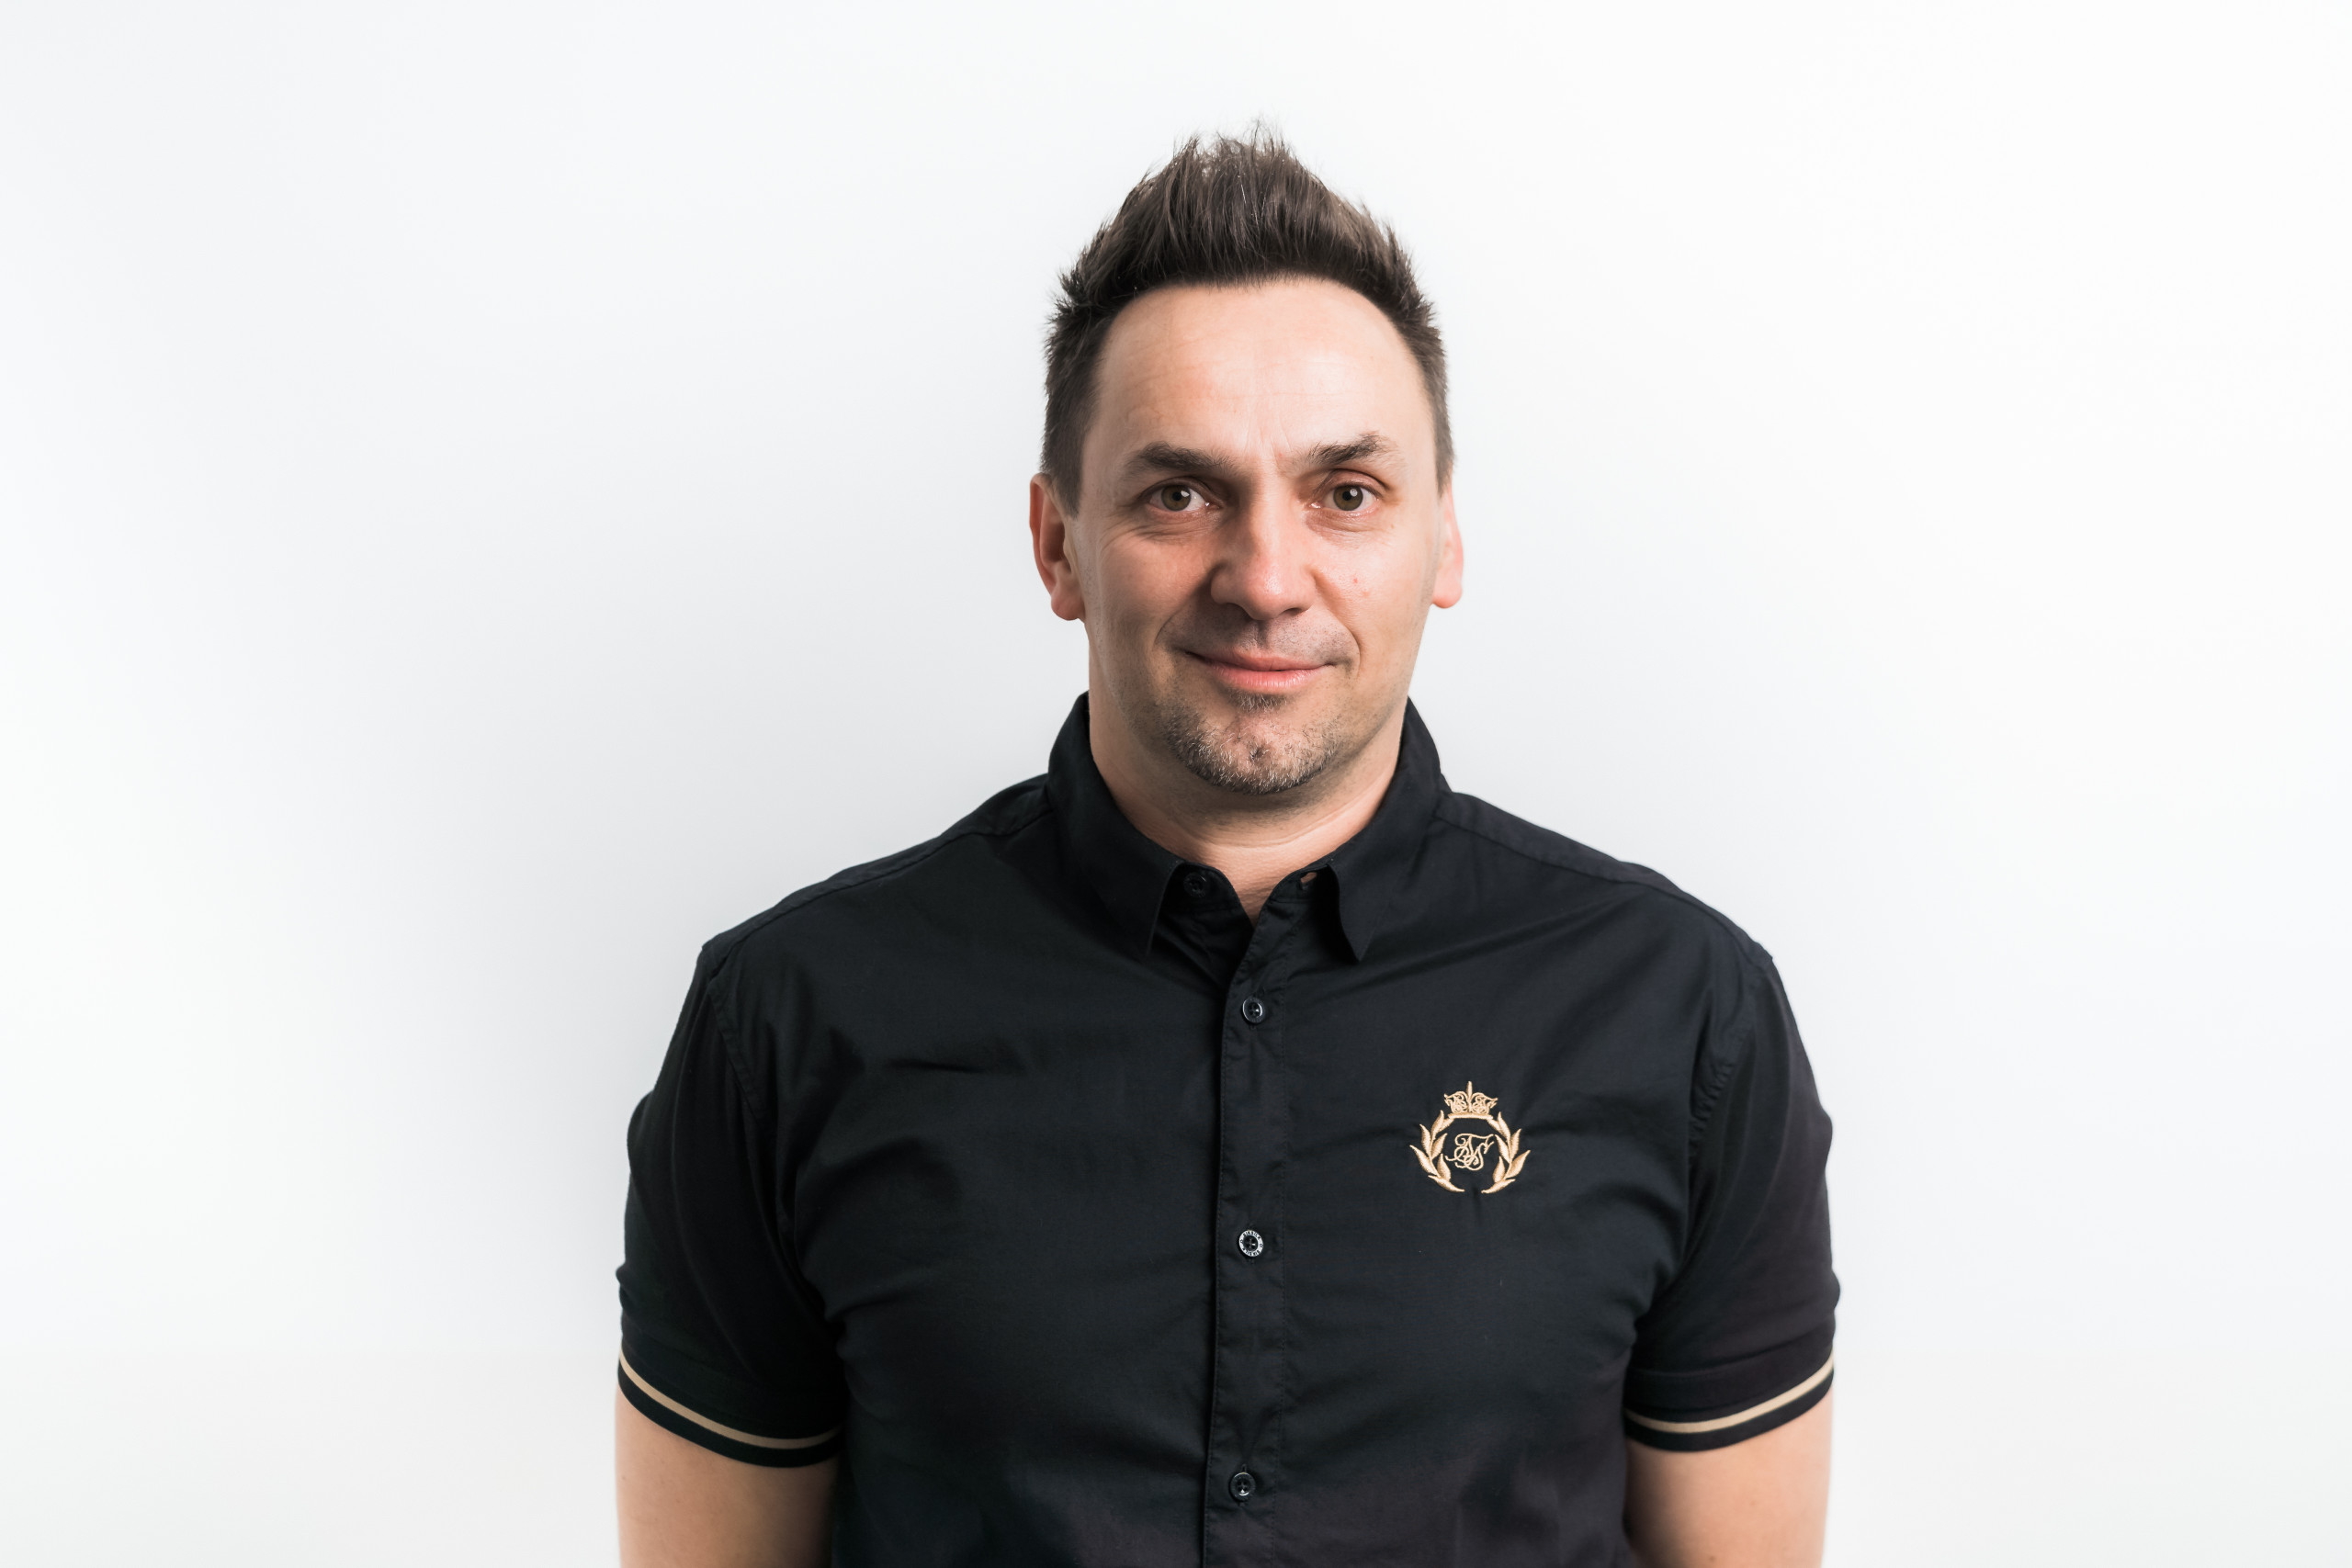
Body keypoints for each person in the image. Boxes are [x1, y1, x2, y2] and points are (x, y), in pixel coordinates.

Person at [614, 131, 1837, 1568]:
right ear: (1057, 544)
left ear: (1445, 539)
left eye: (1346, 493)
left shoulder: (1682, 1015)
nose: (1265, 578)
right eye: (1179, 494)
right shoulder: (786, 1021)